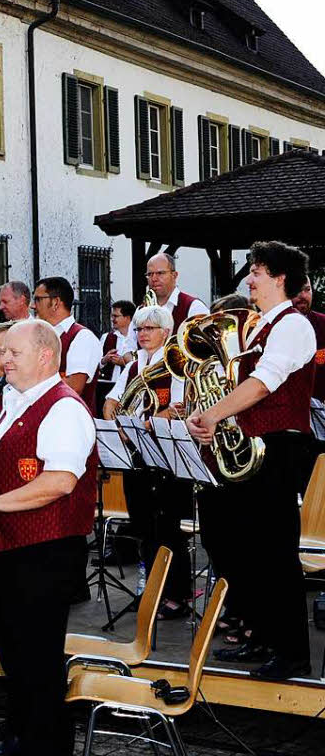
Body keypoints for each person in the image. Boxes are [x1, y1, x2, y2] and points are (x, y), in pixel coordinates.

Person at [187, 241, 314, 680]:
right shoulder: (258, 326)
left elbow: (263, 383)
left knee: (275, 551)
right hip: (249, 447)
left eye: (257, 271)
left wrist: (213, 413)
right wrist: (209, 416)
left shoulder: (293, 327)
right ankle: (261, 634)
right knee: (236, 545)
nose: (248, 279)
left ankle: (292, 651)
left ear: (279, 278)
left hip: (277, 447)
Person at [0, 320, 96, 756]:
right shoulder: (19, 401)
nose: (2, 359)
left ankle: (44, 745)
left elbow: (60, 481)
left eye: (13, 353)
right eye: (2, 352)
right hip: (16, 549)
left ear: (45, 356)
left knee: (39, 661)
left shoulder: (63, 407)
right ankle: (19, 735)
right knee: (16, 652)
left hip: (46, 552)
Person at [103, 306, 191, 619]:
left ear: (166, 332)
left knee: (167, 529)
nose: (143, 334)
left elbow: (180, 407)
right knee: (142, 526)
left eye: (150, 329)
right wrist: (116, 422)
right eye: (139, 329)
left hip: (166, 456)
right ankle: (150, 587)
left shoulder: (175, 363)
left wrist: (141, 425)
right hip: (136, 454)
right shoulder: (132, 366)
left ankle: (176, 595)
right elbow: (112, 398)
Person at [32, 277, 102, 413]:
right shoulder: (41, 335)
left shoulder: (82, 337)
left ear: (56, 302)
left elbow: (75, 386)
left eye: (38, 299)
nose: (33, 306)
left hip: (70, 422)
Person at [145, 253, 209, 332]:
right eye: (150, 274)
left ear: (174, 275)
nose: (154, 278)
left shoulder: (194, 307)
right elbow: (130, 344)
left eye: (160, 273)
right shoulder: (141, 309)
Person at [97, 300, 137, 410]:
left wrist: (123, 361)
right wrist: (104, 360)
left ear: (127, 318)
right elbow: (96, 364)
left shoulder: (139, 339)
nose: (112, 319)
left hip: (129, 387)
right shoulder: (106, 337)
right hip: (107, 386)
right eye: (112, 316)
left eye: (116, 316)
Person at [293, 278, 325, 403]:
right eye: (296, 291)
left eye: (307, 289)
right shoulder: (270, 327)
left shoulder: (323, 323)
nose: (303, 296)